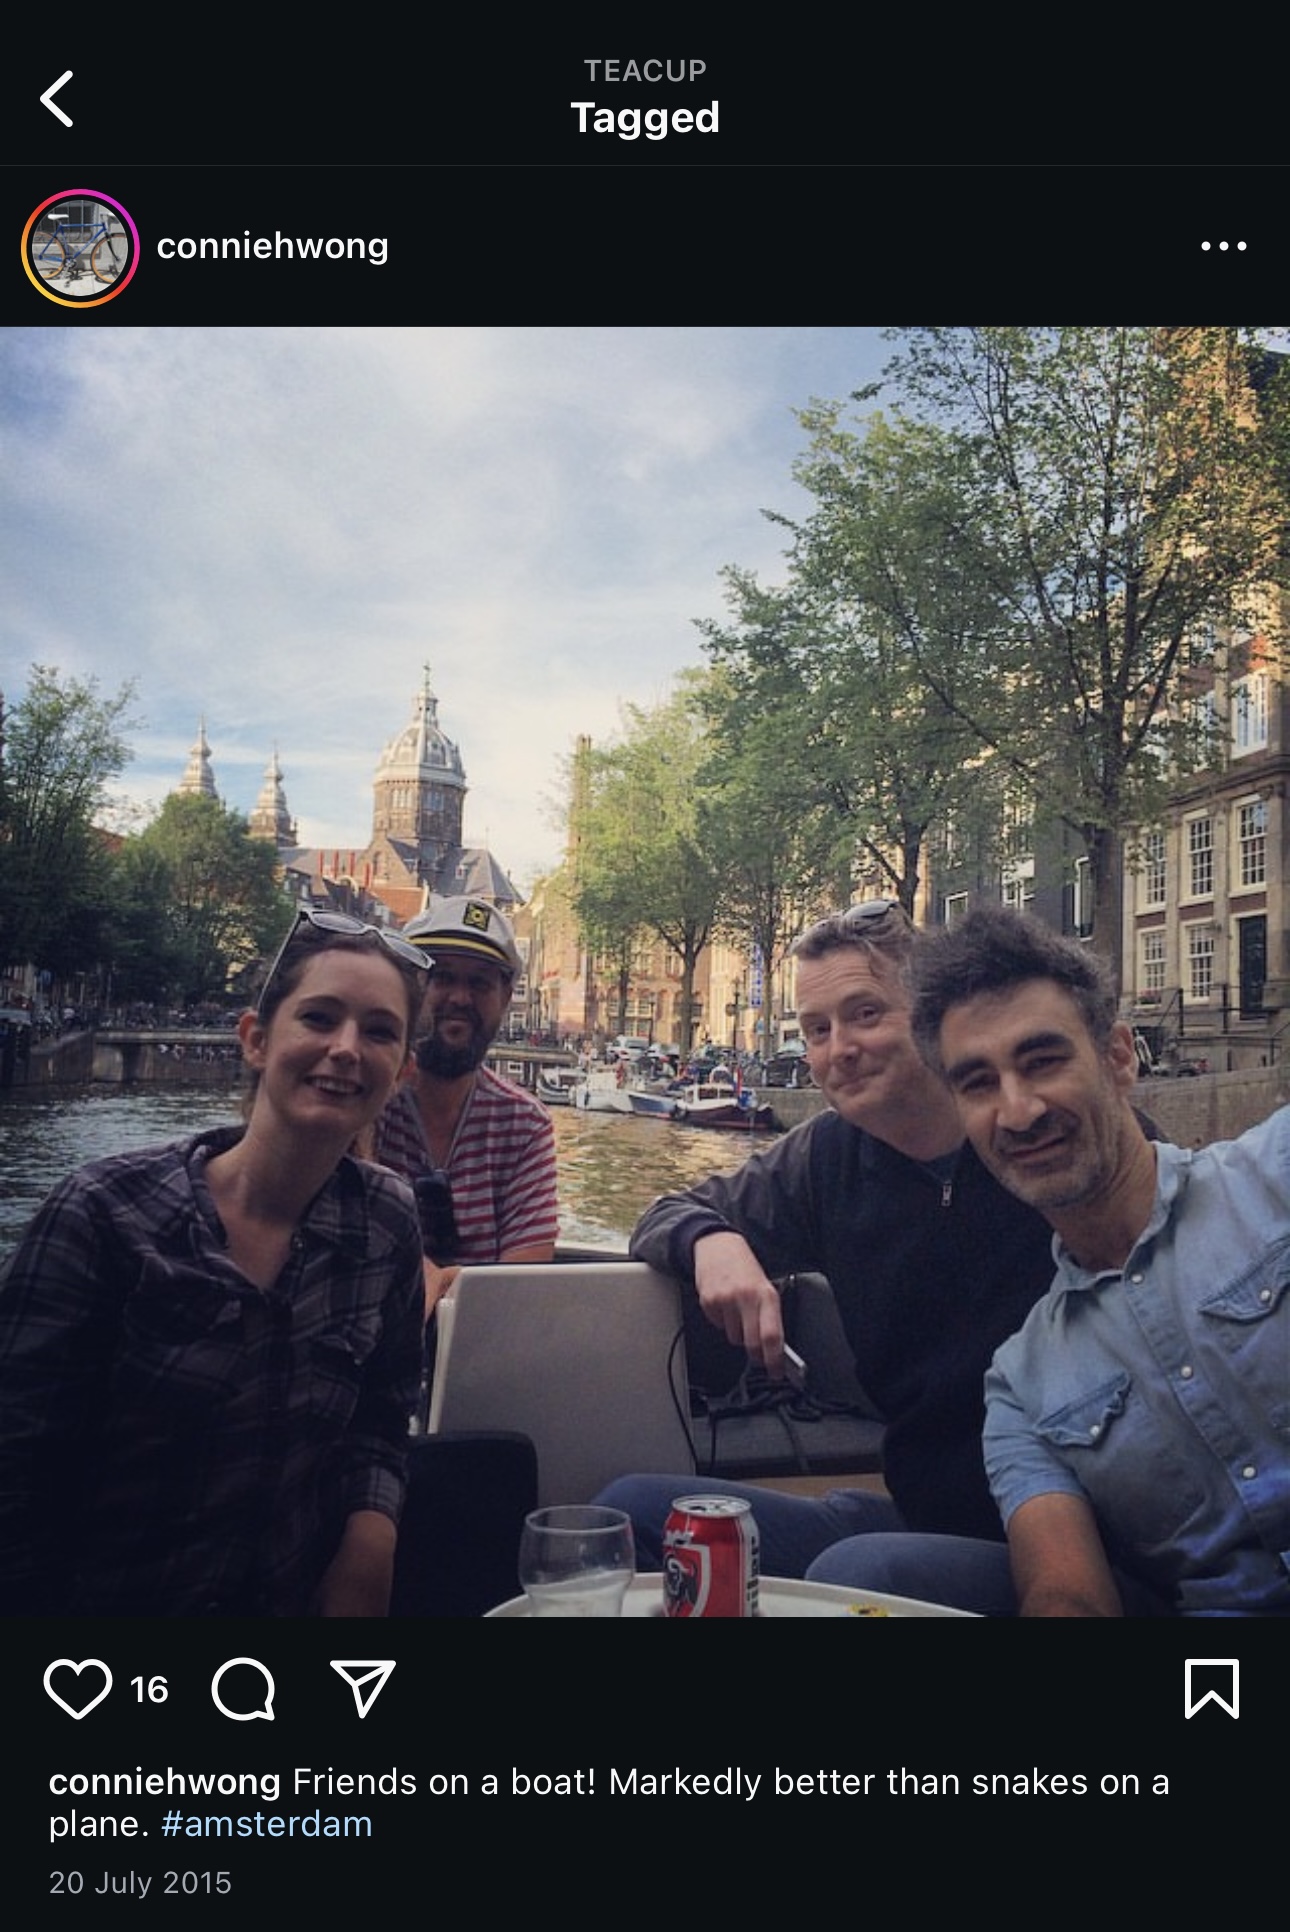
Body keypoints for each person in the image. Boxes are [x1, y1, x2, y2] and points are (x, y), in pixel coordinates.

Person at [599, 901, 1064, 1614]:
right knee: (632, 1511)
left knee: (859, 1570)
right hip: (918, 1514)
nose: (836, 1049)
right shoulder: (825, 1158)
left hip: (1059, 1538)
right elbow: (666, 1210)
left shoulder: (1035, 1137)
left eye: (866, 1014)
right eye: (816, 1029)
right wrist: (713, 1241)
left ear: (933, 1013)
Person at [0, 909, 430, 1617]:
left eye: (379, 1031)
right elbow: (15, 1480)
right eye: (319, 1018)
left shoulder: (387, 1220)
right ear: (256, 1039)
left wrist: (370, 1541)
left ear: (401, 1071)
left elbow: (382, 1419)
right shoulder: (104, 1214)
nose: (347, 1048)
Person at [910, 902, 1290, 1617]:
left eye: (1043, 1061)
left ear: (1119, 1058)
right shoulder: (1022, 1384)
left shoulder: (1276, 1174)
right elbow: (1065, 1591)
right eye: (980, 1084)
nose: (1018, 1111)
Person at [373, 897, 558, 1314]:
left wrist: (433, 1279)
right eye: (440, 977)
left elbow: (525, 1278)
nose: (459, 997)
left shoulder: (524, 1123)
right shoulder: (368, 1098)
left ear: (506, 996)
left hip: (476, 1350)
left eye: (480, 983)